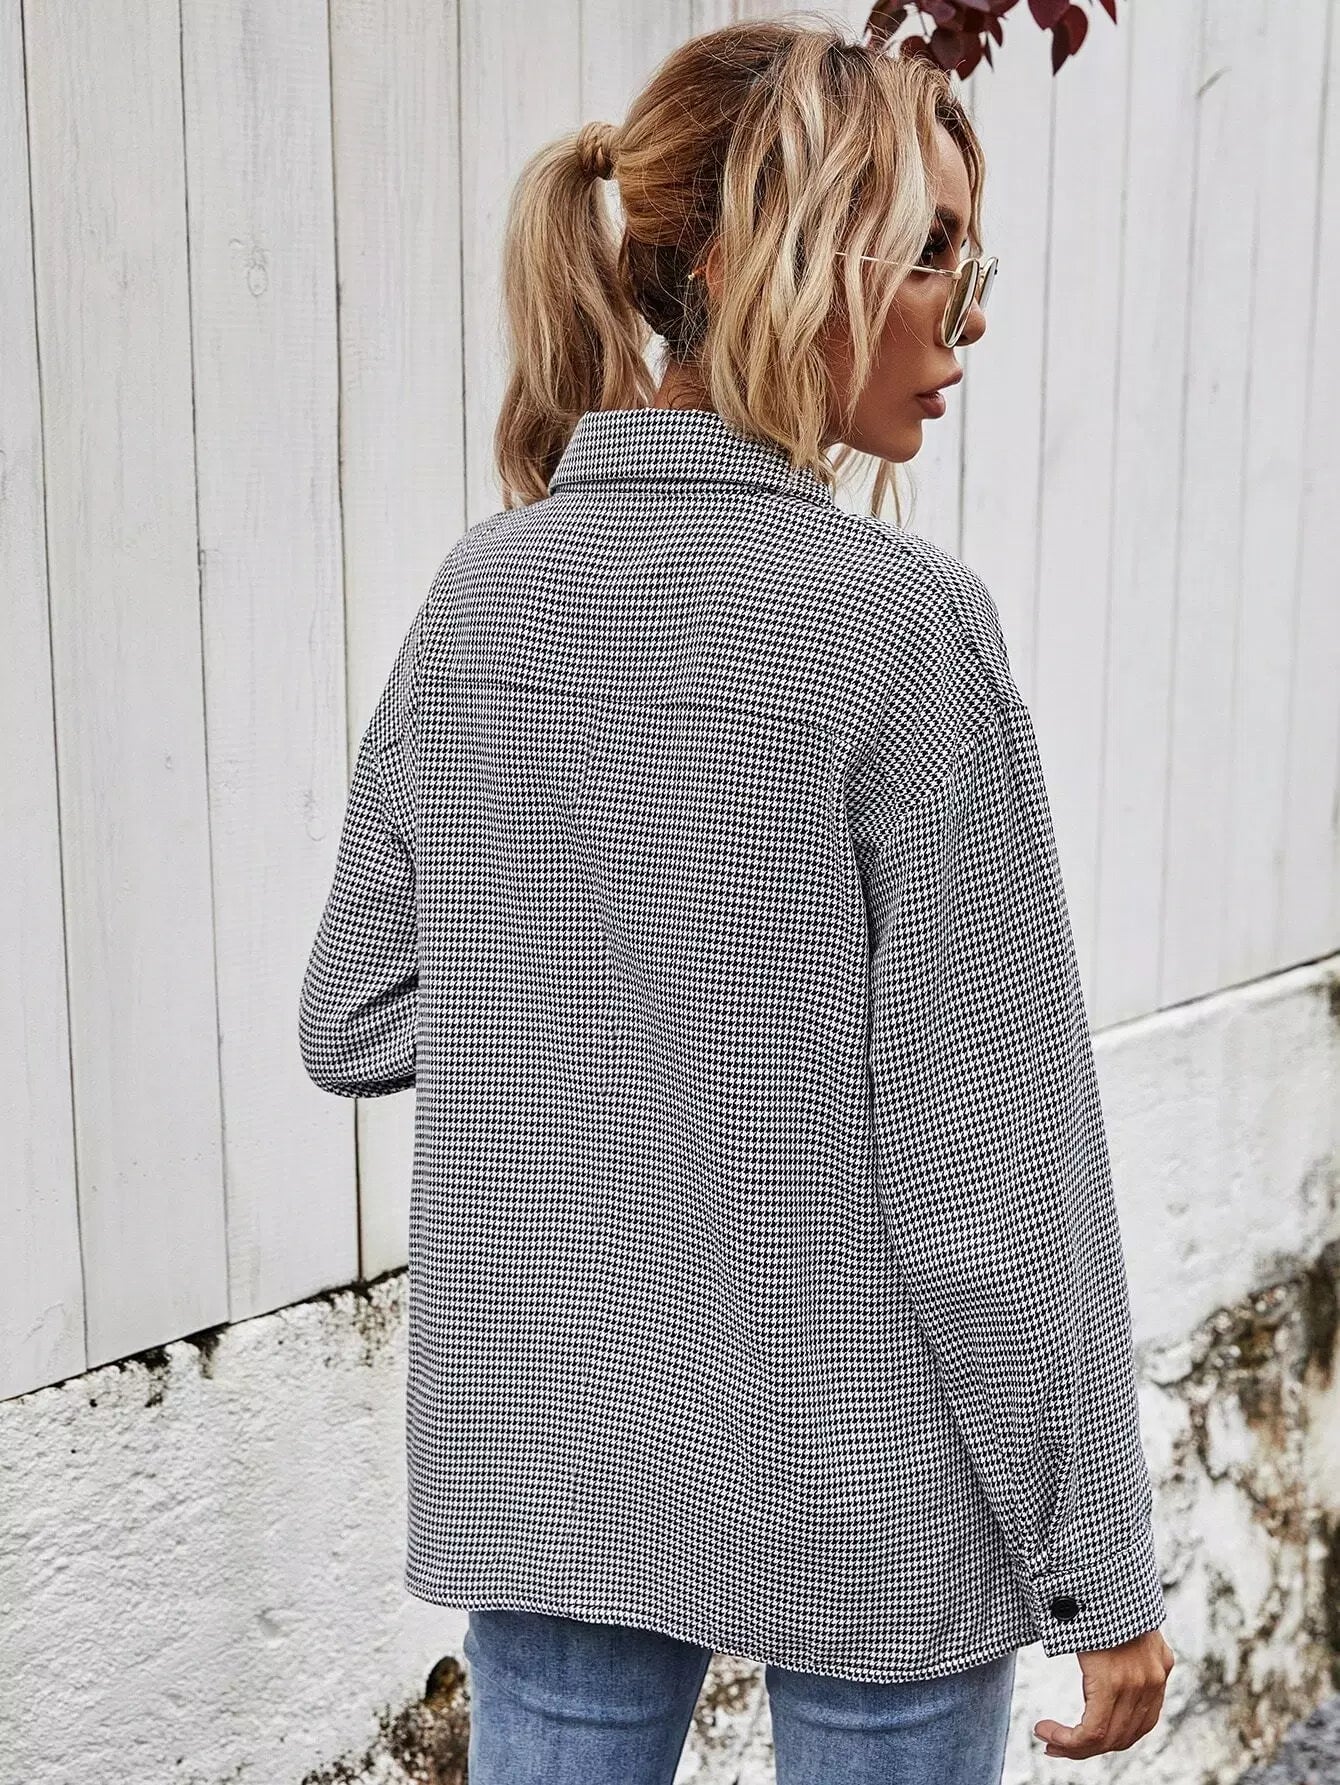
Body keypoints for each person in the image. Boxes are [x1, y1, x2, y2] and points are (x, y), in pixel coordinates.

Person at [297, 18, 1176, 1783]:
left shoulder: (480, 602)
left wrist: (597, 999)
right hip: (870, 1470)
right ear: (763, 258)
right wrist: (1100, 1565)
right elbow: (993, 1168)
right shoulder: (900, 630)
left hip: (561, 1449)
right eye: (928, 252)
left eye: (970, 261)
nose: (967, 315)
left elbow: (357, 1010)